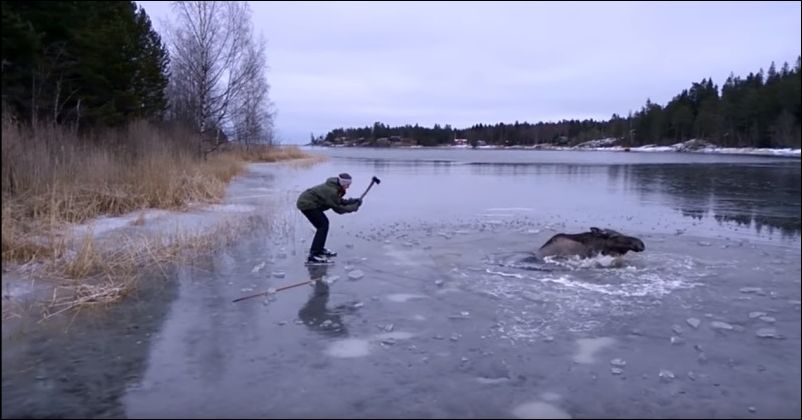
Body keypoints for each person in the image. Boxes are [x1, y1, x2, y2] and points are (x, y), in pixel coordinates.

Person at [296, 173, 361, 264]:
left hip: (311, 203)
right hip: (307, 204)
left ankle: (319, 250)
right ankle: (314, 255)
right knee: (322, 225)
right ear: (342, 183)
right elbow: (338, 209)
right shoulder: (331, 191)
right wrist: (353, 208)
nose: (349, 187)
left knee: (323, 225)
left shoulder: (335, 186)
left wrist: (352, 201)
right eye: (347, 185)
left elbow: (338, 201)